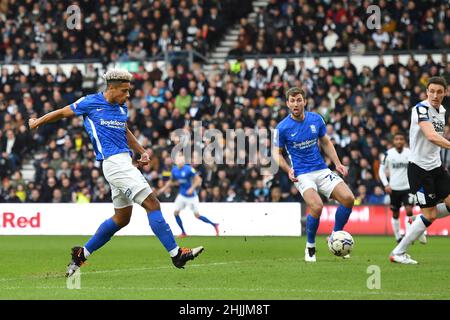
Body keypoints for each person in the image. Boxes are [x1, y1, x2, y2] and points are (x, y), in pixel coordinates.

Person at [28, 69, 204, 277]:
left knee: (122, 218)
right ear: (111, 88)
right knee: (152, 204)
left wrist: (142, 152)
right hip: (113, 163)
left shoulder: (121, 108)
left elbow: (124, 131)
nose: (128, 95)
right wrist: (37, 121)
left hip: (122, 163)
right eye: (124, 90)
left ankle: (81, 254)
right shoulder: (90, 102)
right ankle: (176, 254)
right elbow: (61, 112)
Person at [273, 87, 355, 262]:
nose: (296, 103)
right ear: (287, 104)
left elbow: (325, 141)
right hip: (302, 174)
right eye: (292, 101)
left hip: (322, 169)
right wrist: (288, 169)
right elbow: (276, 153)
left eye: (299, 100)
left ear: (304, 102)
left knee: (348, 198)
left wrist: (337, 163)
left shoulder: (316, 119)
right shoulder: (282, 128)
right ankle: (310, 247)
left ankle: (334, 236)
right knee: (317, 206)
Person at [390, 77, 450, 264]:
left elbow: (437, 138)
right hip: (419, 169)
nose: (435, 95)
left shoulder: (442, 111)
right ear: (426, 92)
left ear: (445, 93)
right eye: (432, 91)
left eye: (439, 92)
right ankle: (398, 253)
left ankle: (417, 220)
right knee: (430, 215)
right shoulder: (420, 109)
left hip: (436, 167)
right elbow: (431, 136)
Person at [379, 132, 426, 244]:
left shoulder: (410, 153)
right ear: (393, 141)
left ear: (404, 141)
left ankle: (408, 236)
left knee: (409, 210)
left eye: (401, 139)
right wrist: (386, 184)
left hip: (407, 187)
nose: (399, 141)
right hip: (394, 188)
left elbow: (417, 168)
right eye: (397, 139)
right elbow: (381, 170)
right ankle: (397, 236)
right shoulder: (388, 154)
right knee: (395, 213)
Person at [158, 153, 219, 237]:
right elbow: (171, 181)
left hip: (192, 197)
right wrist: (163, 189)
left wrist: (192, 188)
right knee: (176, 213)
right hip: (182, 195)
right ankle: (183, 232)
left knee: (197, 215)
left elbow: (198, 180)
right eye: (179, 160)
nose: (180, 161)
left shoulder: (189, 169)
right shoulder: (174, 170)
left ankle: (214, 225)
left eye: (182, 160)